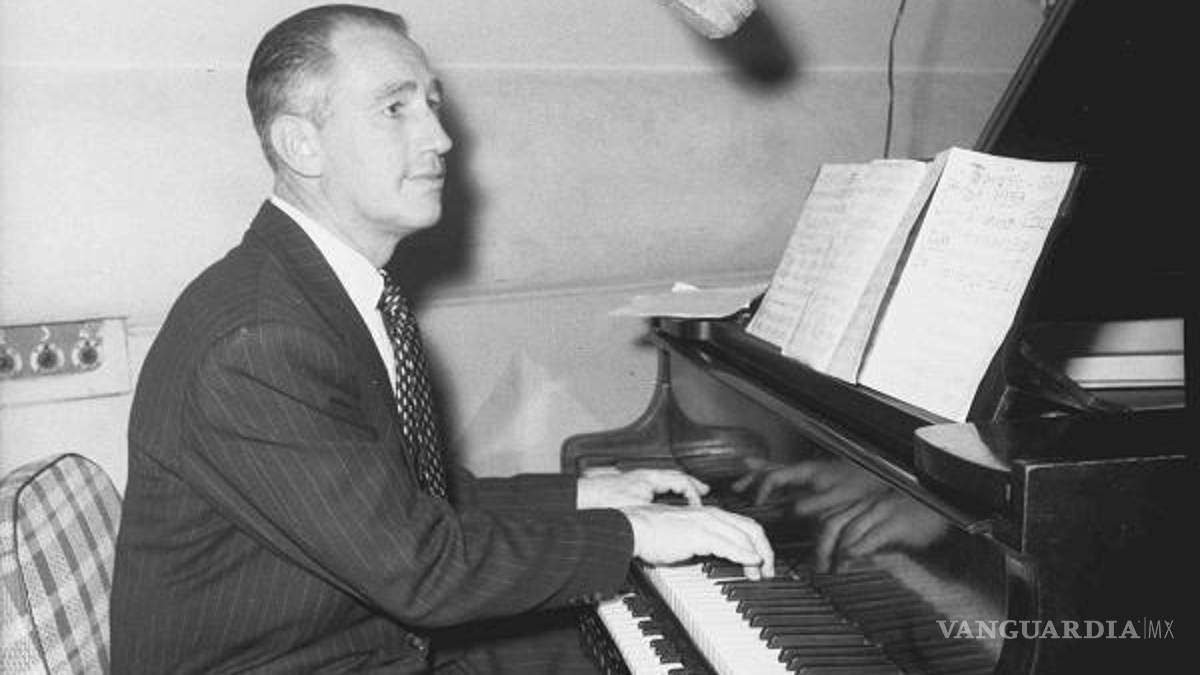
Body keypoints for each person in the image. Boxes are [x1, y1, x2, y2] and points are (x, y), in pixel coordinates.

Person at [109, 4, 773, 674]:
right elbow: (420, 568)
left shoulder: (317, 292)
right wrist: (633, 534)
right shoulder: (259, 341)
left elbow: (408, 506)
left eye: (431, 103)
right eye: (394, 109)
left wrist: (585, 495)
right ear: (301, 144)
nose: (440, 136)